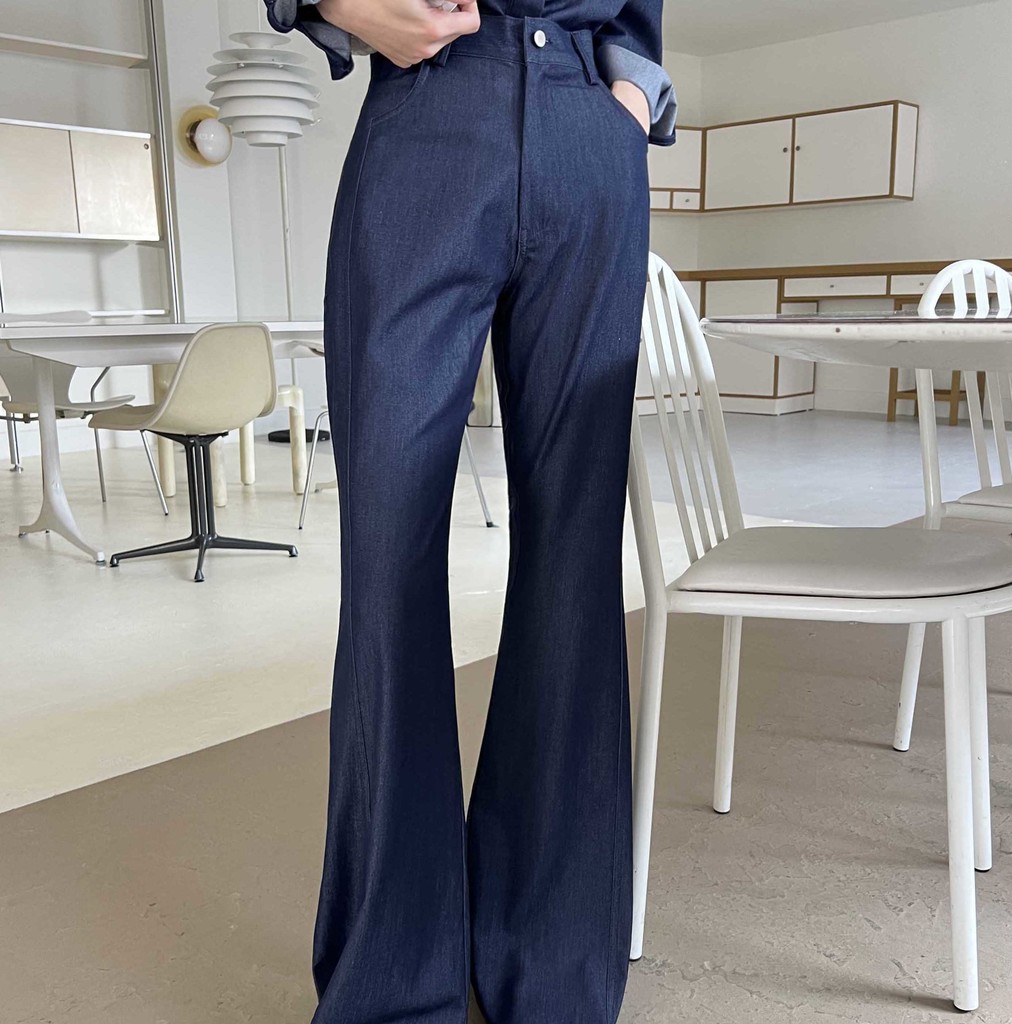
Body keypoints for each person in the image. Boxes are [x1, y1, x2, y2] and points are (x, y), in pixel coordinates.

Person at [263, 1, 676, 1021]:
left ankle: (551, 965)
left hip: (590, 130)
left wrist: (629, 102)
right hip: (430, 113)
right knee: (388, 563)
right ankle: (392, 984)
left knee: (575, 571)